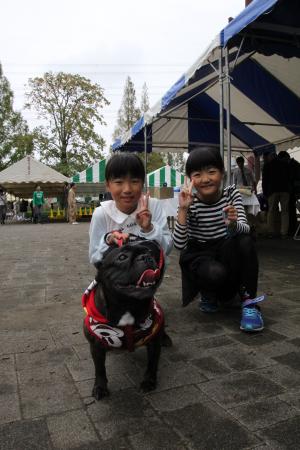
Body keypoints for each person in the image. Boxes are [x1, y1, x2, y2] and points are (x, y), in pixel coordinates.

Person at [173, 147, 265, 332]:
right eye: (197, 174)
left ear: (222, 174)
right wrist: (183, 210)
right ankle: (208, 293)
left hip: (225, 248)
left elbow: (245, 228)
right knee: (214, 273)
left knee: (245, 240)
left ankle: (249, 303)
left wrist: (232, 224)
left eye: (212, 172)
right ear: (190, 179)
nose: (205, 179)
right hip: (200, 255)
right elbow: (179, 244)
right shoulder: (191, 201)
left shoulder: (231, 193)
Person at [89, 153, 173, 265]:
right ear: (108, 185)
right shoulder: (101, 214)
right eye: (119, 182)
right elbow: (95, 258)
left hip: (149, 279)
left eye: (134, 181)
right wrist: (109, 241)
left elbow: (167, 248)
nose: (127, 189)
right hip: (116, 280)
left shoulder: (152, 206)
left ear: (143, 183)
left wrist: (149, 229)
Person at [262, 152, 290, 238]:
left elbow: (265, 181)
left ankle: (271, 231)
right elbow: (289, 177)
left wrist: (265, 193)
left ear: (270, 157)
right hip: (285, 190)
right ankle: (284, 232)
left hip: (272, 190)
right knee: (285, 211)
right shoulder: (285, 164)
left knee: (271, 211)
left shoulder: (267, 166)